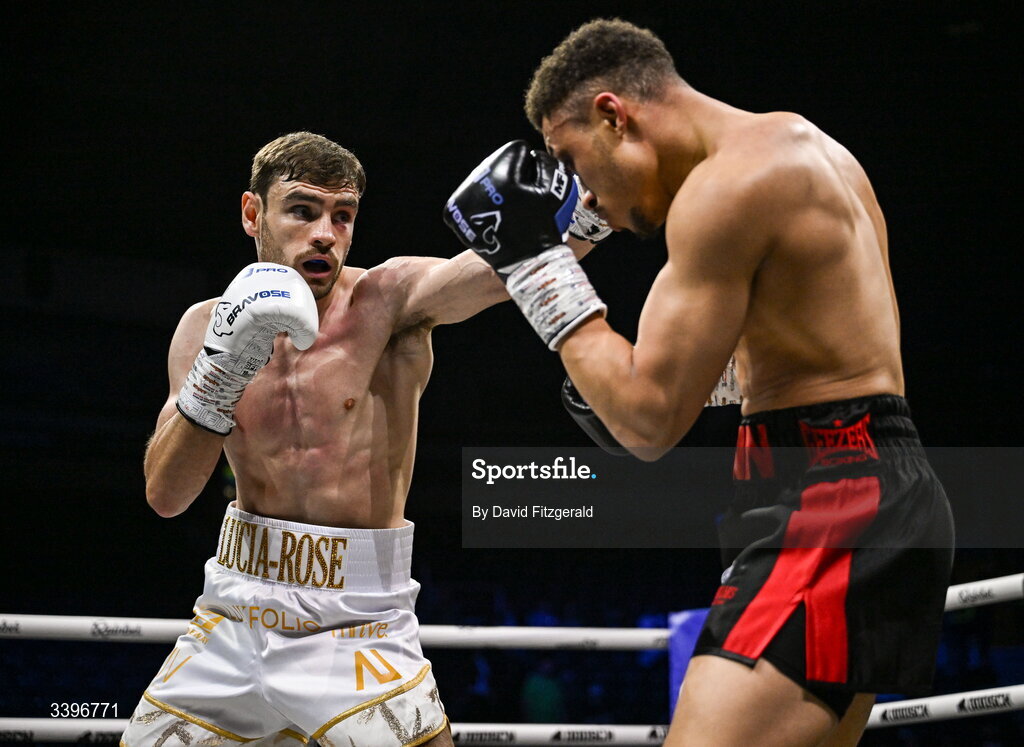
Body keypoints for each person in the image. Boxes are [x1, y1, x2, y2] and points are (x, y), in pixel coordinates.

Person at [444, 19, 954, 747]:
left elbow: (647, 423)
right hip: (859, 480)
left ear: (613, 116)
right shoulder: (803, 147)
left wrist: (535, 263)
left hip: (835, 501)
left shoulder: (727, 191)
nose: (580, 197)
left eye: (573, 161)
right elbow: (818, 351)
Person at [123, 131, 597, 746]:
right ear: (251, 214)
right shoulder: (202, 329)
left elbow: (498, 272)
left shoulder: (389, 300)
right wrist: (222, 372)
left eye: (342, 216)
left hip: (358, 624)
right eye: (302, 210)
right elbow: (166, 496)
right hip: (233, 613)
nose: (326, 232)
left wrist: (586, 213)